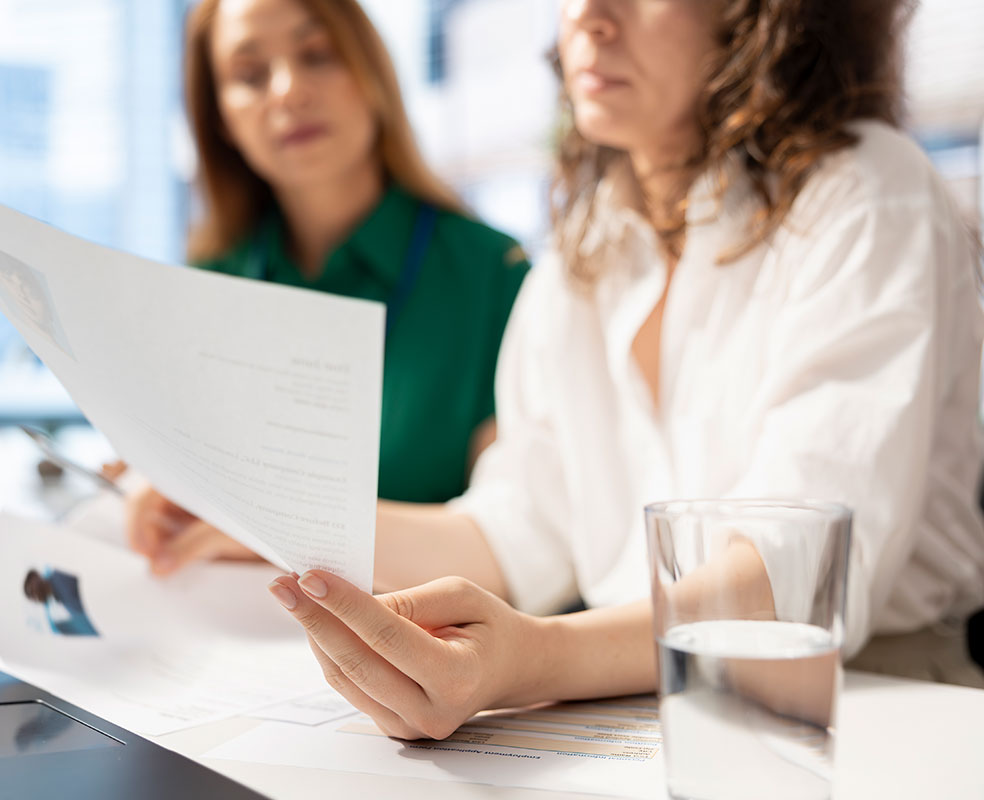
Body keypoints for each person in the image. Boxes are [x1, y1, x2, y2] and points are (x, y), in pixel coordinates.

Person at [259, 0, 984, 740]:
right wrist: (267, 515)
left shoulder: (865, 189)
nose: (589, 18)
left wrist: (535, 658)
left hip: (878, 696)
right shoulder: (588, 242)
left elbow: (800, 574)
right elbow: (518, 529)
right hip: (632, 696)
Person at [126, 0, 530, 574]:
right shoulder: (207, 282)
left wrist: (262, 524)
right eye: (249, 75)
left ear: (372, 74)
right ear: (220, 118)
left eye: (317, 55)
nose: (288, 91)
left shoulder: (496, 276)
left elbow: (523, 547)